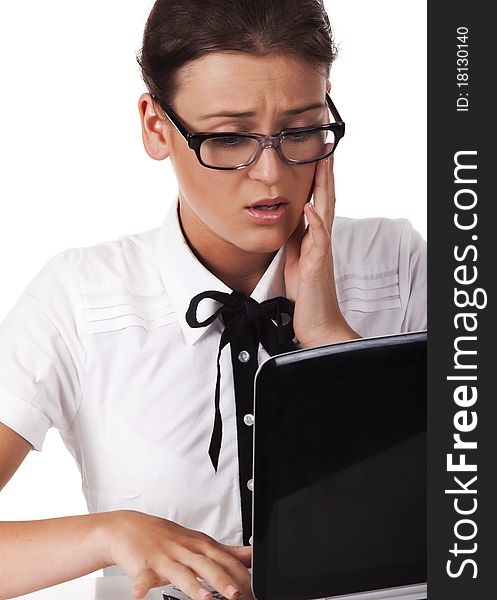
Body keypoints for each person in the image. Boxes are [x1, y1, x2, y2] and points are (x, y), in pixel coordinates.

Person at [0, 1, 426, 599]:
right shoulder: (80, 296)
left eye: (301, 130)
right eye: (228, 138)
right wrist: (109, 534)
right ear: (155, 126)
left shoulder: (400, 265)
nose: (272, 175)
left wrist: (332, 342)